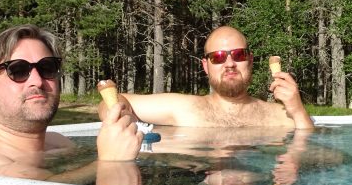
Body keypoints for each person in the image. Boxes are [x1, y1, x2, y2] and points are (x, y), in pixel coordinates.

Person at [0, 24, 142, 178]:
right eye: (18, 70)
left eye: (47, 67)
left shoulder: (59, 143)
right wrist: (110, 163)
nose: (38, 81)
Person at [104, 25, 314, 129]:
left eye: (238, 55)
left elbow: (312, 150)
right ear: (206, 66)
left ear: (250, 60)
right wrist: (121, 115)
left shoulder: (280, 115)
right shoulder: (183, 107)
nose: (230, 64)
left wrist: (297, 109)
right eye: (218, 57)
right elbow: (113, 102)